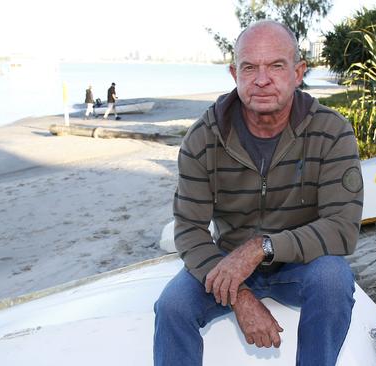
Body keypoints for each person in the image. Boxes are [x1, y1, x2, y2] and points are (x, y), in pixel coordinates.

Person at [153, 20, 363, 366]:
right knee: (172, 306)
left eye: (276, 66)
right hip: (226, 264)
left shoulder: (332, 131)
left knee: (333, 279)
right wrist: (239, 294)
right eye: (250, 67)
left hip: (300, 263)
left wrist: (262, 247)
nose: (262, 79)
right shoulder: (203, 138)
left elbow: (342, 229)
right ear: (234, 73)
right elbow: (189, 230)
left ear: (298, 72)